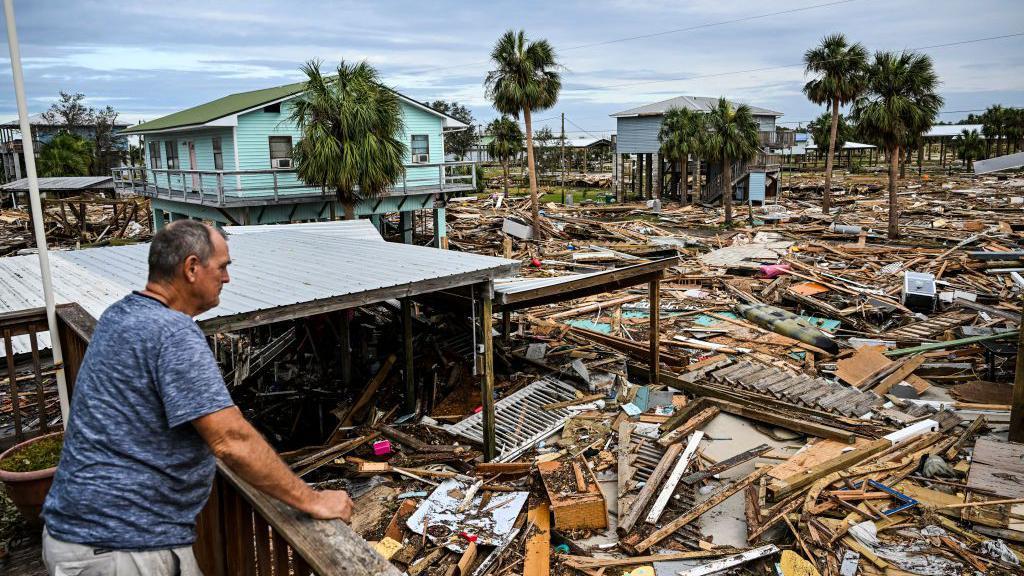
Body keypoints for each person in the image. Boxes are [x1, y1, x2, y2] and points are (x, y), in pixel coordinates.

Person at [41, 220, 352, 575]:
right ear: (191, 268)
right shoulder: (172, 332)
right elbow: (230, 439)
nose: (227, 278)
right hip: (121, 545)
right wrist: (312, 500)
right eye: (222, 267)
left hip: (89, 536)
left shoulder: (119, 316)